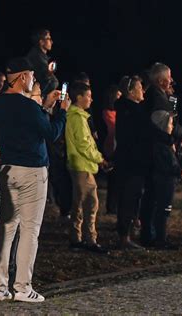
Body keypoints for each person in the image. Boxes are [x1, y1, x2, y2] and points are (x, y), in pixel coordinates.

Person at [0, 57, 69, 303]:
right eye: (32, 77)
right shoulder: (27, 106)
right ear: (23, 77)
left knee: (7, 229)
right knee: (29, 231)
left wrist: (45, 106)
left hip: (8, 168)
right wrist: (62, 113)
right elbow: (50, 133)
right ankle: (23, 287)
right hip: (32, 170)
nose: (33, 80)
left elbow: (31, 124)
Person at [65, 81, 108, 254]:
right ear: (79, 97)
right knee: (87, 203)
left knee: (85, 203)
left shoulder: (79, 117)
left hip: (83, 165)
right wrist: (99, 158)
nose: (91, 99)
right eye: (88, 96)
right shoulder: (77, 118)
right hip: (82, 166)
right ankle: (87, 239)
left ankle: (81, 238)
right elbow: (84, 144)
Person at [114, 75, 147, 250]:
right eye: (140, 88)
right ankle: (124, 236)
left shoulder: (129, 109)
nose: (143, 91)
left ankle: (128, 231)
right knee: (128, 198)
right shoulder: (132, 111)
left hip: (132, 161)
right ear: (131, 92)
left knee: (132, 198)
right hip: (131, 162)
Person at [149, 110, 182, 249]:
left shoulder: (165, 141)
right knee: (163, 209)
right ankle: (161, 239)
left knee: (163, 209)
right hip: (165, 180)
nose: (172, 126)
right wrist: (178, 171)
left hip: (165, 179)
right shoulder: (162, 143)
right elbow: (166, 163)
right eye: (170, 123)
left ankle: (161, 237)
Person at [102, 85, 121, 215]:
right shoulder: (107, 113)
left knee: (117, 180)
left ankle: (114, 205)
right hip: (111, 148)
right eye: (118, 96)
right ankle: (111, 206)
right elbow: (112, 129)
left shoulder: (118, 113)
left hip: (118, 146)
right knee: (113, 180)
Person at [26, 29, 59, 96]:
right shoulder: (36, 58)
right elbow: (47, 82)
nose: (51, 42)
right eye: (48, 38)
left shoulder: (42, 57)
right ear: (41, 42)